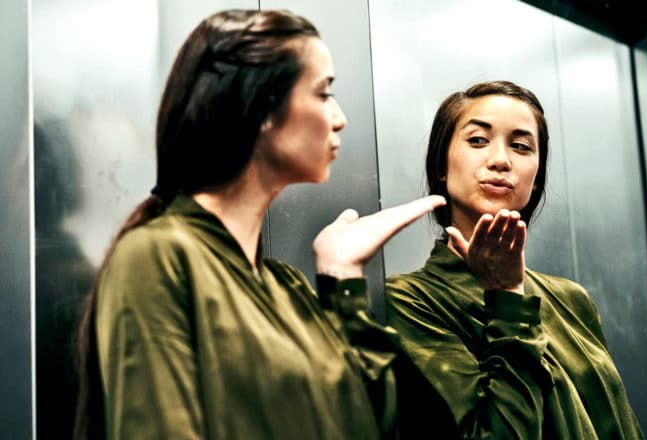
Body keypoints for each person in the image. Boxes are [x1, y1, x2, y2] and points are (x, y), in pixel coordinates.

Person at [73, 9, 444, 439]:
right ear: (262, 108)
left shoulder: (284, 286)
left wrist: (343, 278)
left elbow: (370, 418)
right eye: (324, 94)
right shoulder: (159, 257)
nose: (339, 118)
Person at [385, 81, 643, 439]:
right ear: (441, 165)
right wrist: (506, 298)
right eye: (477, 141)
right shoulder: (409, 299)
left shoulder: (570, 299)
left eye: (521, 147)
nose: (501, 161)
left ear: (536, 181)